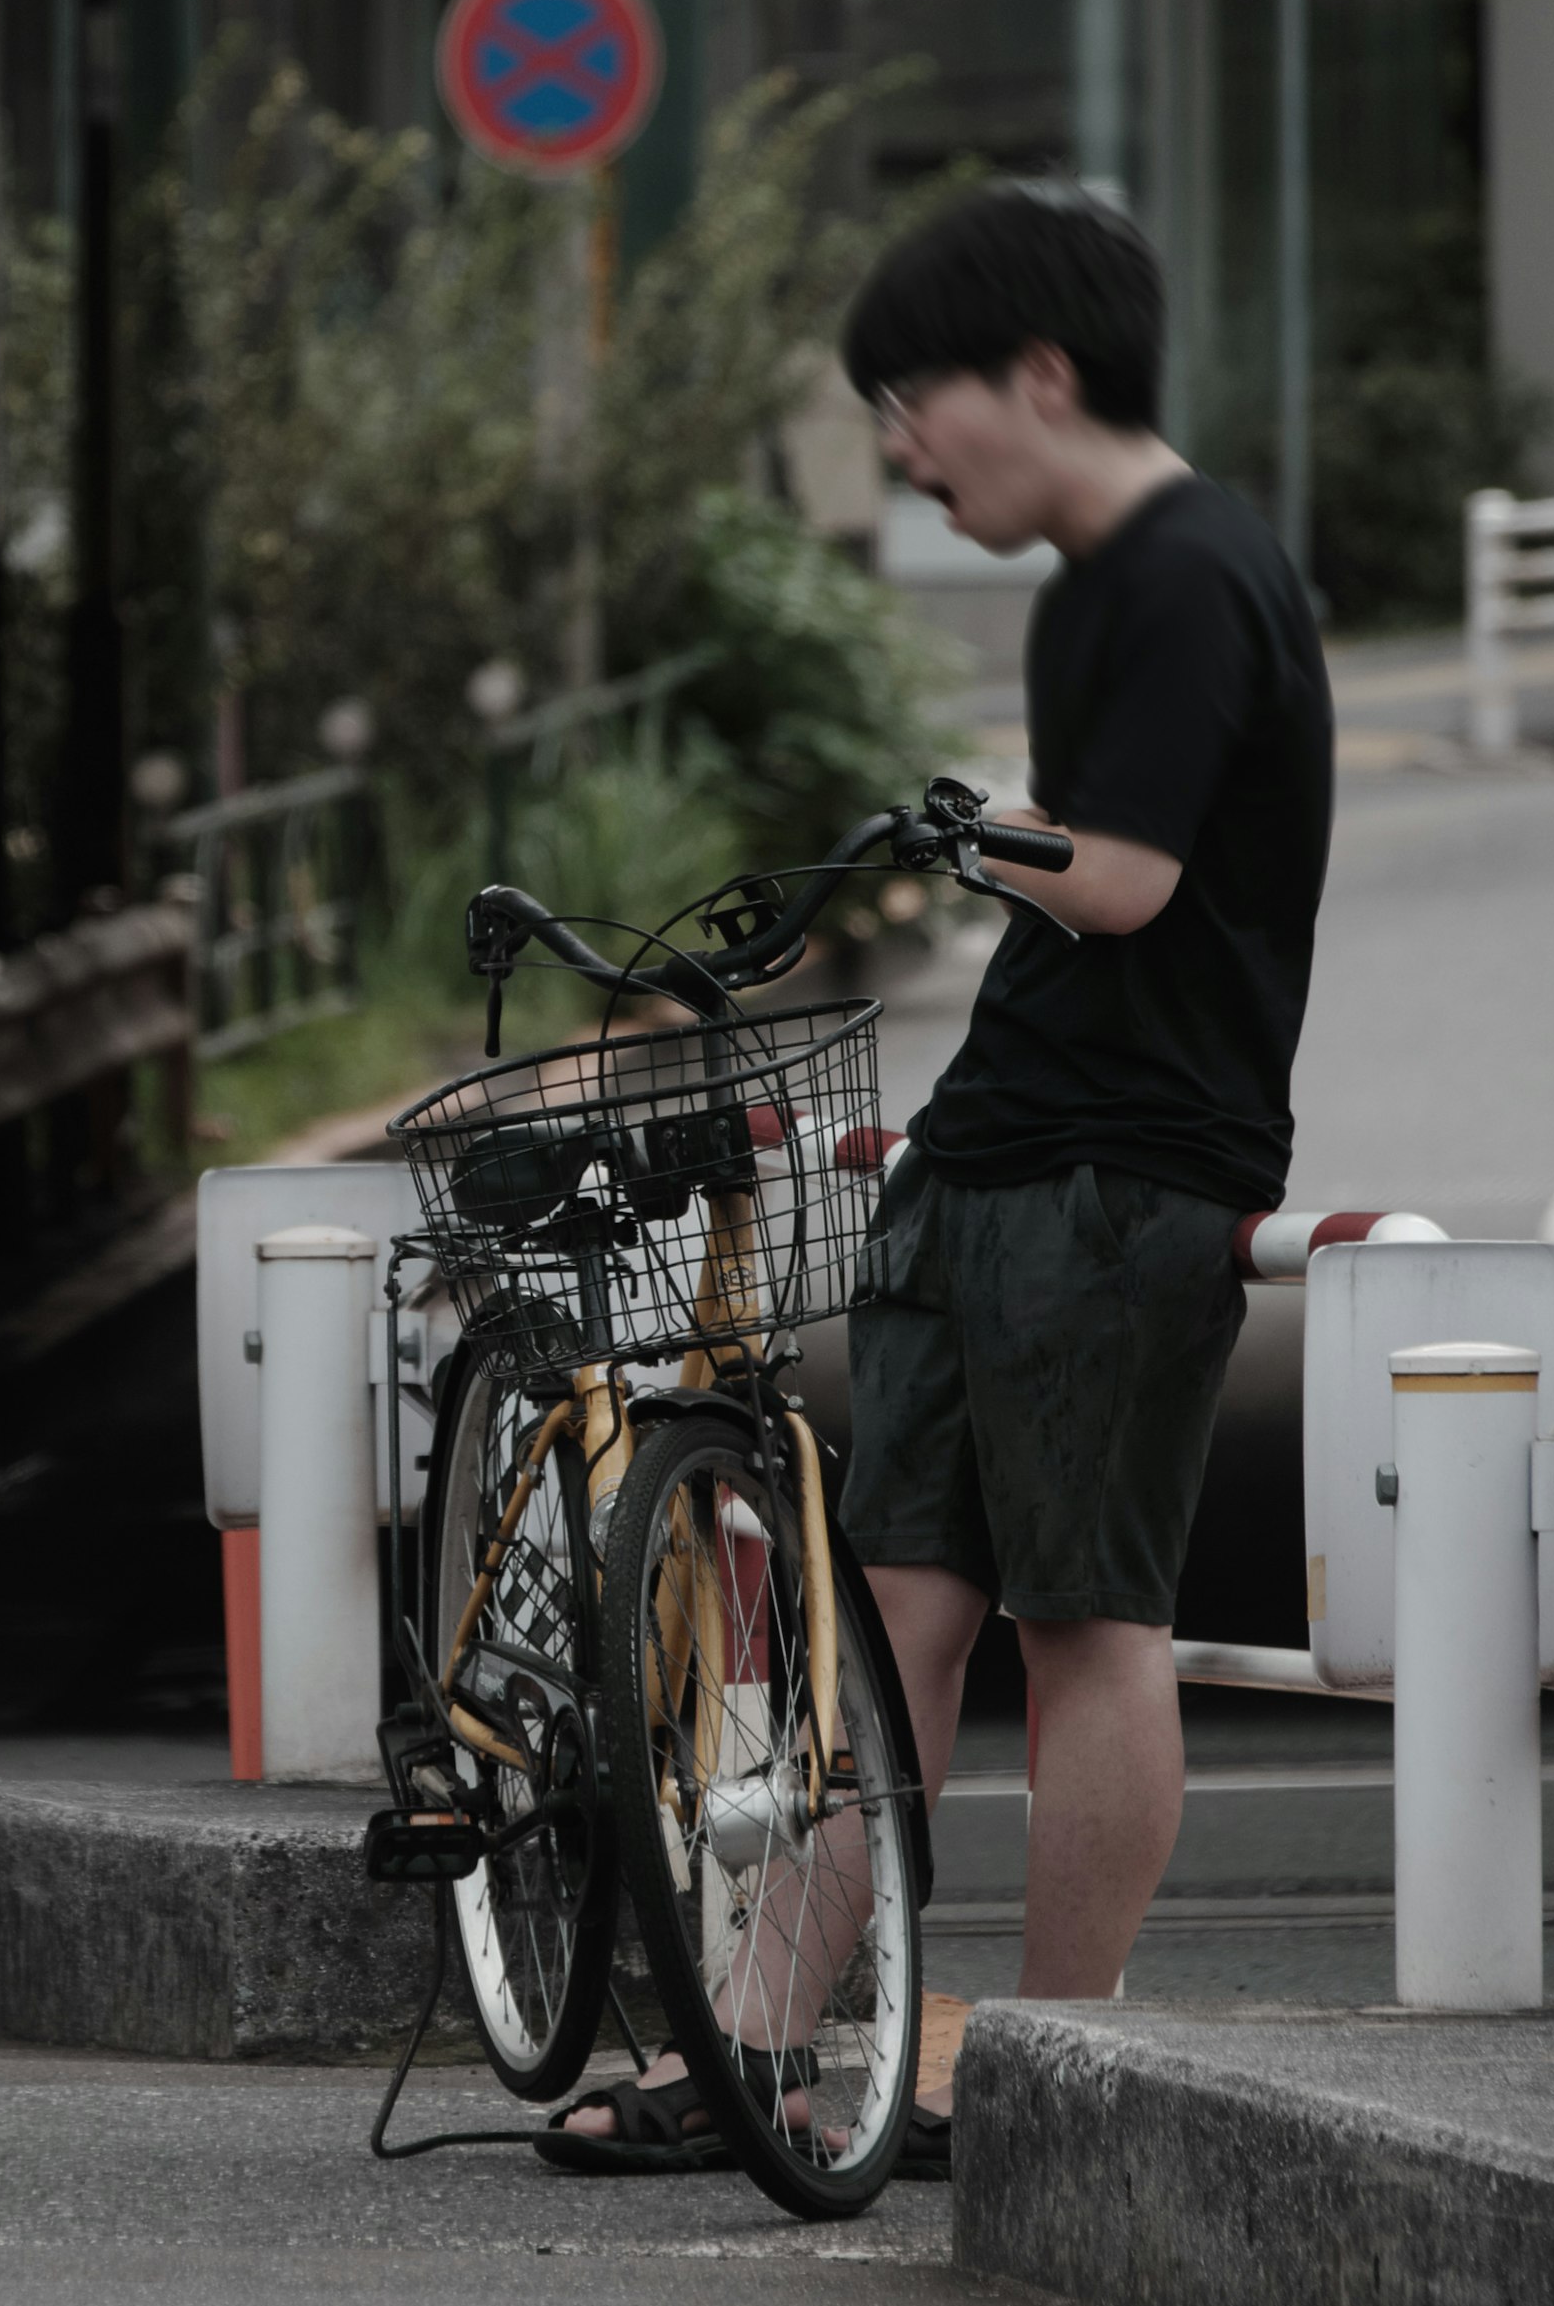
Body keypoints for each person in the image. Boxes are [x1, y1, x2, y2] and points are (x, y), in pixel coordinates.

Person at [547, 185, 1331, 2177]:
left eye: (918, 404)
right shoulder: (1105, 583)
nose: (903, 450)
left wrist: (971, 831)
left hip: (1120, 1177)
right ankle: (760, 2056)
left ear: (1040, 377)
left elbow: (1134, 883)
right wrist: (989, 833)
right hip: (998, 1151)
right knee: (882, 1633)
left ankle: (1055, 2073)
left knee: (1089, 1623)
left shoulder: (1181, 573)